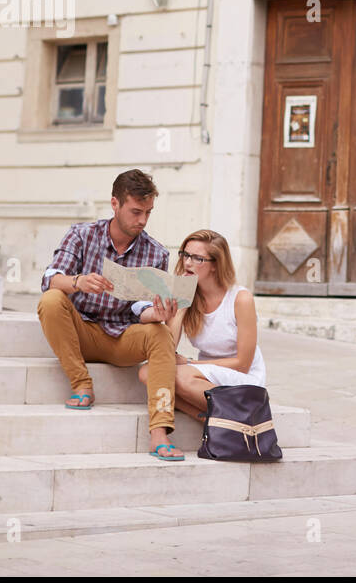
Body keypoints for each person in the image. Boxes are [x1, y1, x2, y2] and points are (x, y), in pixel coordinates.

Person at [37, 169, 186, 461]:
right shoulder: (82, 235)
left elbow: (139, 309)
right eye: (135, 211)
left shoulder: (156, 253)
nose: (142, 220)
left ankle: (159, 433)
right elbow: (49, 279)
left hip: (121, 339)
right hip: (80, 332)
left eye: (148, 212)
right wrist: (78, 282)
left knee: (160, 333)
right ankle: (81, 384)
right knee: (52, 300)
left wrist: (156, 313)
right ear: (115, 204)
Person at [139, 229, 262, 425]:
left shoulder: (240, 299)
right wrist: (180, 306)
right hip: (204, 377)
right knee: (148, 372)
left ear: (215, 265)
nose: (187, 263)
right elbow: (167, 349)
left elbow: (243, 363)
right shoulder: (188, 297)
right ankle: (207, 418)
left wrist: (190, 364)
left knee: (180, 375)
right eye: (185, 255)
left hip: (241, 378)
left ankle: (241, 409)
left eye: (198, 258)